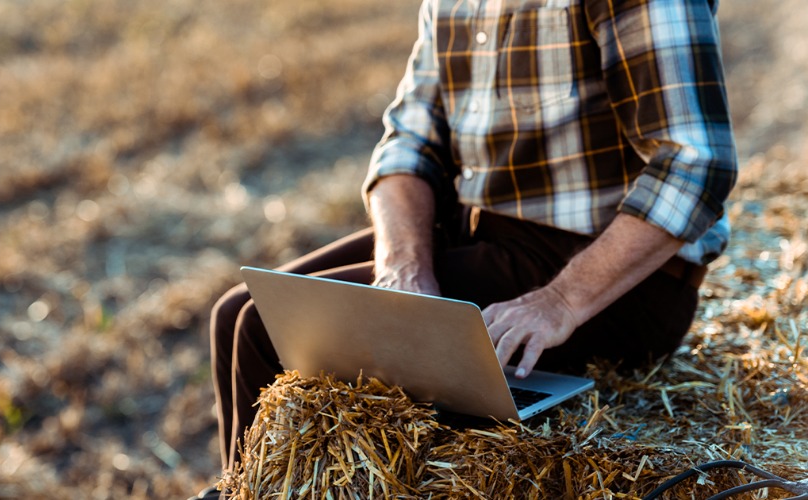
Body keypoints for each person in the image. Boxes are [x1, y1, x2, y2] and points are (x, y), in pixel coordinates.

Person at [193, 0, 736, 497]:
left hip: (609, 268)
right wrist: (404, 265)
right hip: (479, 224)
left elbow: (695, 162)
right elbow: (408, 144)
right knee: (235, 313)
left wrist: (561, 301)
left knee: (262, 329)